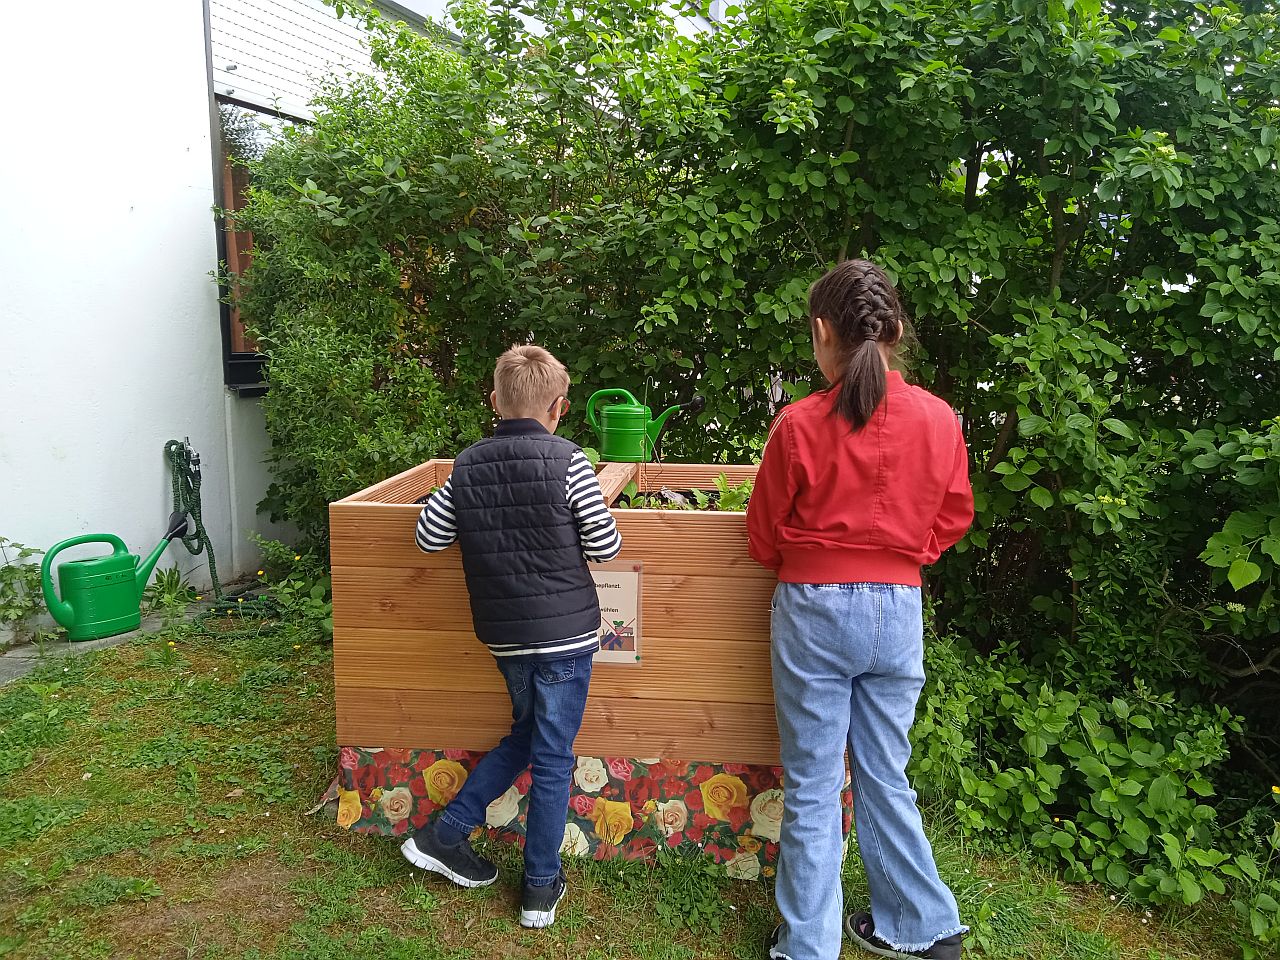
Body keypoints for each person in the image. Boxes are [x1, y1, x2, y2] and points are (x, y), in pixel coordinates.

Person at [747, 260, 974, 960]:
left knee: (815, 786)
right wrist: (902, 557)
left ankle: (808, 948)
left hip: (814, 610)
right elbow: (955, 516)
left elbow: (761, 536)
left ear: (821, 333)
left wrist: (816, 560)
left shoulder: (798, 424)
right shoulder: (939, 420)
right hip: (898, 610)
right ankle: (924, 927)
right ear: (896, 331)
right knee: (885, 772)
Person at [401, 344, 622, 929]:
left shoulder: (466, 466)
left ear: (495, 401)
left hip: (505, 639)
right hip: (568, 639)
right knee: (552, 758)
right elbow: (604, 547)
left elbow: (428, 538)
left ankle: (445, 834)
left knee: (528, 736)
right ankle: (539, 889)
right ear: (560, 407)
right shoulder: (570, 461)